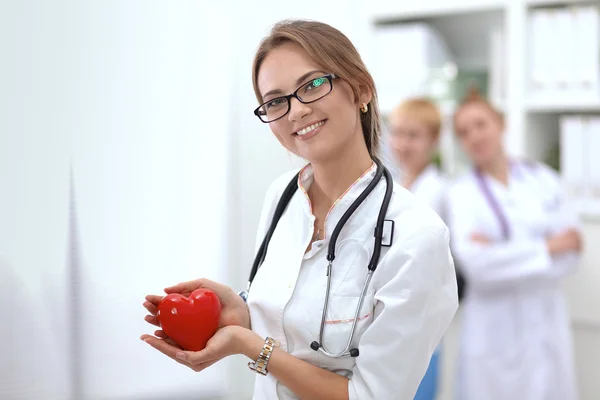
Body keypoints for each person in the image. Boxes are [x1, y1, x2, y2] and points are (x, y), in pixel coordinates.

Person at [141, 20, 458, 400]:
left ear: (361, 90)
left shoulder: (417, 236)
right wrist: (240, 315)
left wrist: (252, 347)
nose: (295, 112)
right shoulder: (282, 197)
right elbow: (295, 327)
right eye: (275, 100)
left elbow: (372, 396)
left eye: (311, 86)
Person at [446, 88, 582, 400]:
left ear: (500, 124)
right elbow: (478, 267)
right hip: (492, 328)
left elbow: (572, 250)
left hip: (545, 319)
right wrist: (547, 246)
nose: (475, 136)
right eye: (464, 132)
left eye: (481, 124)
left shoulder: (543, 178)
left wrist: (501, 252)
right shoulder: (461, 193)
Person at [388, 98, 447, 400]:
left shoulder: (439, 192)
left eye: (413, 135)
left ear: (433, 140)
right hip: (390, 327)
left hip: (421, 327)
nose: (402, 143)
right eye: (397, 133)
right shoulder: (394, 186)